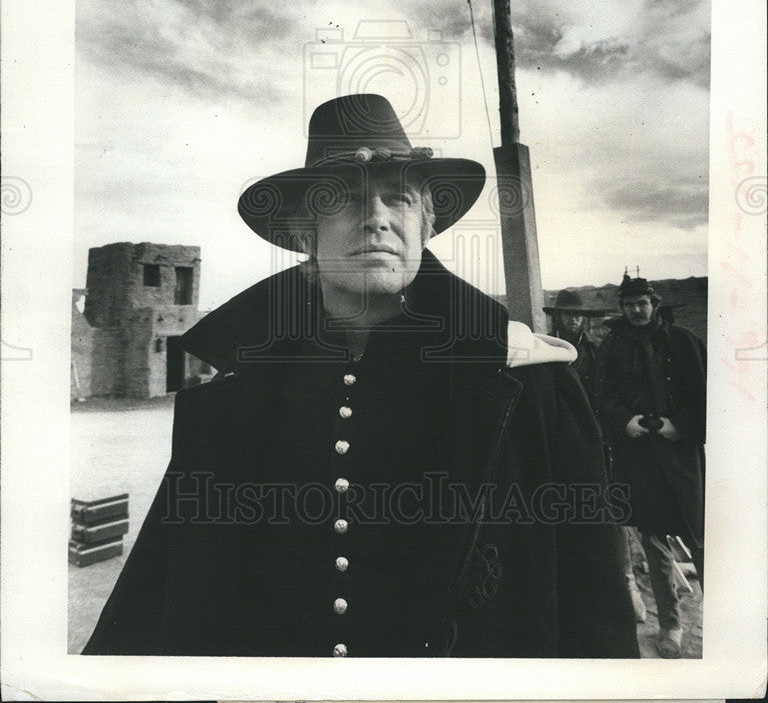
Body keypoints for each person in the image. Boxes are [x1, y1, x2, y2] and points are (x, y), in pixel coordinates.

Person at [84, 94, 638, 658]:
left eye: (398, 198)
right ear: (306, 236)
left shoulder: (523, 385)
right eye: (345, 199)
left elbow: (594, 609)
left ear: (425, 226)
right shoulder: (235, 401)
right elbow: (162, 598)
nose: (377, 217)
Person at [598, 273, 706, 658]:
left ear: (654, 304)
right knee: (654, 540)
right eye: (628, 305)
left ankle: (729, 621)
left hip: (682, 456)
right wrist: (625, 420)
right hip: (642, 457)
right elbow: (604, 395)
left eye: (642, 303)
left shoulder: (684, 342)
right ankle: (671, 625)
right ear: (622, 309)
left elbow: (709, 394)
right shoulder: (614, 346)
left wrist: (683, 426)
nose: (636, 310)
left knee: (702, 538)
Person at [545, 289, 648, 624]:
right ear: (556, 317)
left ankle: (626, 584)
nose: (574, 320)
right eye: (567, 314)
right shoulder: (545, 349)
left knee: (610, 511)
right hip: (556, 442)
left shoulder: (597, 351)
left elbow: (607, 396)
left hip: (595, 442)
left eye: (578, 316)